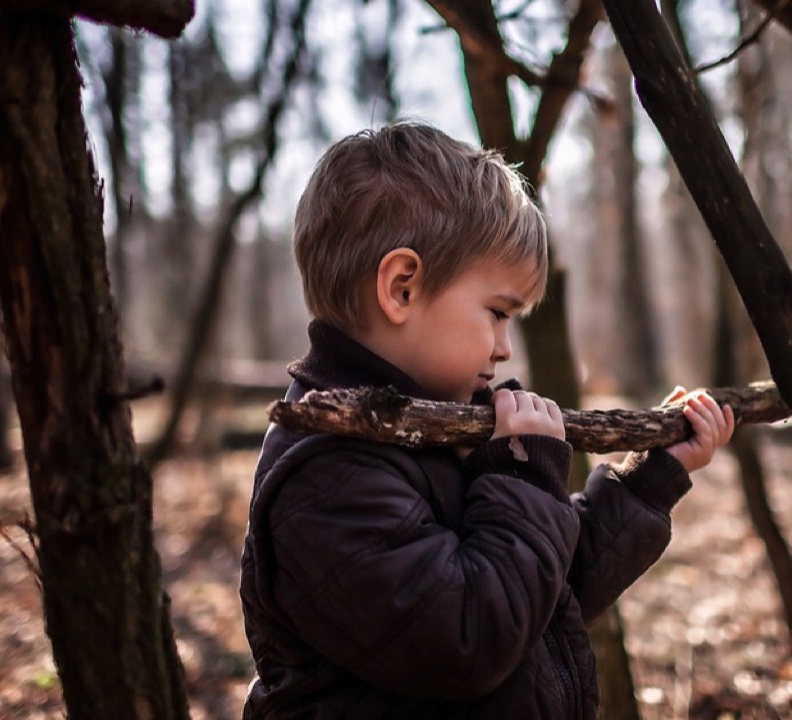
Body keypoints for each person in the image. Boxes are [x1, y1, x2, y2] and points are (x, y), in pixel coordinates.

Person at [239, 121, 735, 719]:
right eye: (497, 313)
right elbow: (469, 638)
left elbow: (540, 594)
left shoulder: (434, 432)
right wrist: (522, 482)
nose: (504, 348)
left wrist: (650, 480)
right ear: (401, 289)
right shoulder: (328, 475)